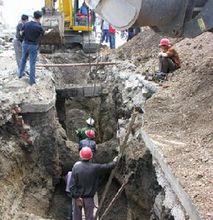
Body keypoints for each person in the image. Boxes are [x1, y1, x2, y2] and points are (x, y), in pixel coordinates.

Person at [70, 147, 118, 220]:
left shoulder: (76, 168)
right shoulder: (95, 168)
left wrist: (76, 197)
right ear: (91, 156)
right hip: (89, 198)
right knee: (89, 217)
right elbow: (107, 167)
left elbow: (72, 185)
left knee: (76, 217)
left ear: (80, 156)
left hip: (77, 198)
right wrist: (114, 162)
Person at [19, 11, 52, 85]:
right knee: (32, 63)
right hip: (33, 46)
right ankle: (32, 81)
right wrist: (49, 31)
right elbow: (44, 33)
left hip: (25, 44)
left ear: (34, 16)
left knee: (23, 59)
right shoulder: (38, 27)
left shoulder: (26, 24)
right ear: (40, 17)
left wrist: (25, 34)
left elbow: (21, 33)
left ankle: (20, 74)